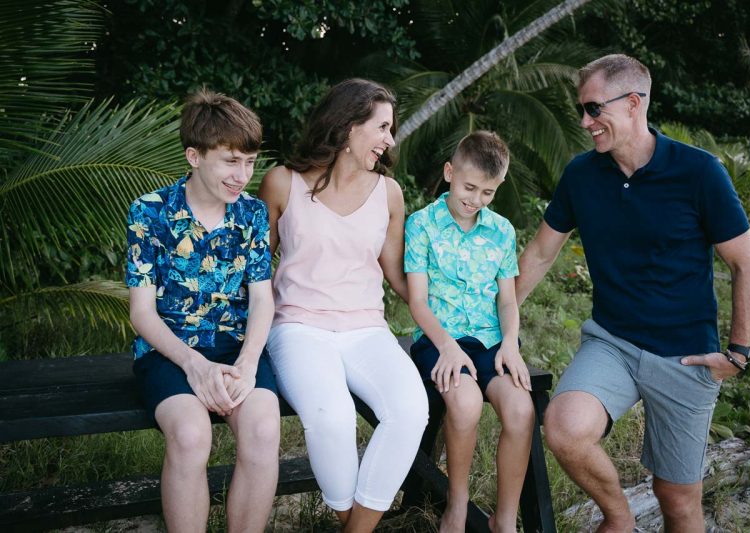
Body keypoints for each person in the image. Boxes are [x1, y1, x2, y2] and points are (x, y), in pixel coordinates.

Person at [515, 54, 750, 533]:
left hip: (686, 356)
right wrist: (494, 324)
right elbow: (540, 256)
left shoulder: (699, 172)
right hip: (614, 342)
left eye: (592, 109)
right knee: (564, 429)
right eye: (581, 111)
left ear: (633, 104)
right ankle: (619, 518)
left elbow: (746, 263)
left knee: (676, 500)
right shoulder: (582, 175)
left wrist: (737, 353)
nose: (585, 122)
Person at [258, 78, 428, 533]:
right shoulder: (281, 183)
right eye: (383, 127)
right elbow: (253, 273)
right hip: (296, 327)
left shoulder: (389, 193)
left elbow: (395, 273)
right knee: (331, 418)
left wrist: (448, 326)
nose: (390, 140)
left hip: (367, 329)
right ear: (348, 126)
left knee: (411, 409)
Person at [126, 89, 280, 532]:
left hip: (236, 347)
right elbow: (142, 312)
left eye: (250, 162)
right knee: (193, 436)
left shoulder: (251, 213)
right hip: (169, 352)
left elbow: (262, 297)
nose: (243, 176)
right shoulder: (150, 212)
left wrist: (249, 363)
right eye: (231, 161)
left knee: (264, 431)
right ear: (194, 155)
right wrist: (194, 366)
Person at [405, 131, 535, 533]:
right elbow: (418, 302)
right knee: (464, 404)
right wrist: (446, 347)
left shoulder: (502, 231)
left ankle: (505, 520)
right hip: (437, 340)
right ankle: (457, 506)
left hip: (490, 341)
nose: (475, 199)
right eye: (469, 187)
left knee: (521, 410)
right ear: (449, 173)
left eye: (488, 192)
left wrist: (510, 344)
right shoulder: (421, 224)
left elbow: (508, 300)